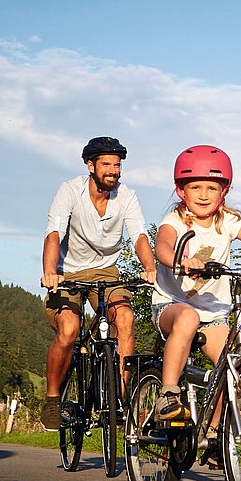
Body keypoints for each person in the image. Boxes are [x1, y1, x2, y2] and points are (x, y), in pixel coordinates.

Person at [150, 145, 241, 453]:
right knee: (188, 318)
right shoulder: (176, 221)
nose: (203, 195)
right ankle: (167, 394)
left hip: (213, 314)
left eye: (211, 188)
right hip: (171, 305)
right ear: (181, 190)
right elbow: (163, 245)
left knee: (229, 365)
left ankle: (215, 433)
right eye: (195, 187)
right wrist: (178, 261)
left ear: (223, 191)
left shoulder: (227, 222)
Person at [40, 136, 157, 430]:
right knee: (69, 329)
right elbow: (53, 233)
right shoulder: (70, 191)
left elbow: (139, 235)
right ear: (90, 165)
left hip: (106, 270)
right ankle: (53, 398)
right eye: (106, 164)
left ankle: (119, 397)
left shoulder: (126, 196)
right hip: (68, 272)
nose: (113, 171)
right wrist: (50, 271)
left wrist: (150, 268)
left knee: (125, 318)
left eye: (117, 165)